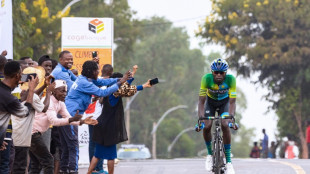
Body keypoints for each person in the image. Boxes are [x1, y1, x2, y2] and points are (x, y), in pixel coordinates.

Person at [59, 61, 130, 173]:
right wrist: (120, 82)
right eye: (97, 70)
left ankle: (63, 170)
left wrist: (118, 80)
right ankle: (73, 171)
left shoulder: (86, 78)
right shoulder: (84, 82)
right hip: (70, 115)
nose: (99, 72)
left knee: (67, 147)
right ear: (91, 72)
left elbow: (102, 81)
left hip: (70, 114)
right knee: (73, 146)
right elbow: (103, 92)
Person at [88, 70, 151, 174]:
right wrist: (138, 83)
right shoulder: (115, 93)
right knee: (111, 157)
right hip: (109, 128)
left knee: (97, 155)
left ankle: (88, 173)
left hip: (100, 125)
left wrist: (138, 79)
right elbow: (126, 89)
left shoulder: (108, 91)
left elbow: (126, 89)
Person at [29, 80, 98, 173]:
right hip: (32, 134)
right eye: (62, 91)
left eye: (66, 91)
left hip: (34, 134)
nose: (65, 94)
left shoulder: (60, 103)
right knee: (48, 160)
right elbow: (54, 121)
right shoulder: (49, 102)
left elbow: (69, 118)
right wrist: (72, 120)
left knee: (36, 164)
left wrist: (82, 121)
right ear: (53, 91)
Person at [197, 58, 237, 174]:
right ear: (212, 72)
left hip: (225, 103)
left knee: (225, 124)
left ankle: (229, 162)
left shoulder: (231, 79)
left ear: (226, 73)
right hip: (210, 103)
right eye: (216, 72)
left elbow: (232, 102)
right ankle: (210, 155)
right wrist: (201, 117)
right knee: (207, 126)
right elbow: (201, 101)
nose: (219, 75)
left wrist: (231, 117)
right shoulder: (206, 79)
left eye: (222, 73)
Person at [0, 61, 38, 173]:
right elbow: (25, 112)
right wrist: (31, 90)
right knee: (3, 168)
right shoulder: (7, 97)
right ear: (17, 75)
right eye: (21, 74)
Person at [11, 73, 53, 174]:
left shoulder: (17, 91)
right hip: (24, 135)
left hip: (16, 134)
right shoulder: (28, 94)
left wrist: (44, 85)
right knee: (21, 167)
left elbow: (33, 96)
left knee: (31, 164)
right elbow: (44, 108)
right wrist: (48, 92)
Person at [87, 64, 114, 174]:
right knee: (99, 143)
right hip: (99, 117)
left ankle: (92, 168)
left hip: (89, 115)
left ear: (102, 71)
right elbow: (102, 100)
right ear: (111, 73)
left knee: (92, 142)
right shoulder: (104, 84)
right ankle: (98, 169)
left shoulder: (94, 81)